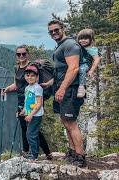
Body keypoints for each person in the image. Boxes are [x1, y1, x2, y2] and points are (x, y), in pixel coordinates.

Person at [45, 20, 86, 167]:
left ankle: (80, 157)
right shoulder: (61, 46)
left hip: (69, 90)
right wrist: (50, 84)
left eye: (56, 30)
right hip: (62, 88)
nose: (54, 33)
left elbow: (73, 69)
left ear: (63, 28)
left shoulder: (70, 45)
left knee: (71, 122)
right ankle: (72, 151)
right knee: (65, 121)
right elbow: (61, 70)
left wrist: (62, 89)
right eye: (51, 31)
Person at [2, 45, 52, 160]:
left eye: (23, 54)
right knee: (24, 127)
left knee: (32, 129)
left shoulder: (32, 67)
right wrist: (7, 89)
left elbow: (36, 84)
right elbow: (16, 84)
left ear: (27, 54)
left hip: (33, 102)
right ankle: (28, 151)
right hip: (22, 101)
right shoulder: (17, 68)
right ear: (16, 55)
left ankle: (42, 152)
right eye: (18, 54)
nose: (21, 56)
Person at [19, 65, 44, 161]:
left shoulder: (37, 88)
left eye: (32, 75)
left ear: (37, 77)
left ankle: (34, 155)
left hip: (36, 115)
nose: (30, 77)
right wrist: (24, 111)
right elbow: (27, 102)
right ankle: (34, 153)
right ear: (25, 77)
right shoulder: (27, 88)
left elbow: (39, 104)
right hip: (29, 114)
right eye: (28, 75)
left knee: (30, 134)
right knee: (33, 134)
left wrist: (31, 115)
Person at [76, 28, 101, 98]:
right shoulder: (78, 48)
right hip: (78, 63)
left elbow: (97, 59)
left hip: (86, 64)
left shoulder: (92, 49)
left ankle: (81, 87)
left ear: (91, 39)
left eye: (86, 38)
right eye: (81, 38)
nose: (83, 40)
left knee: (82, 69)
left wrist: (91, 70)